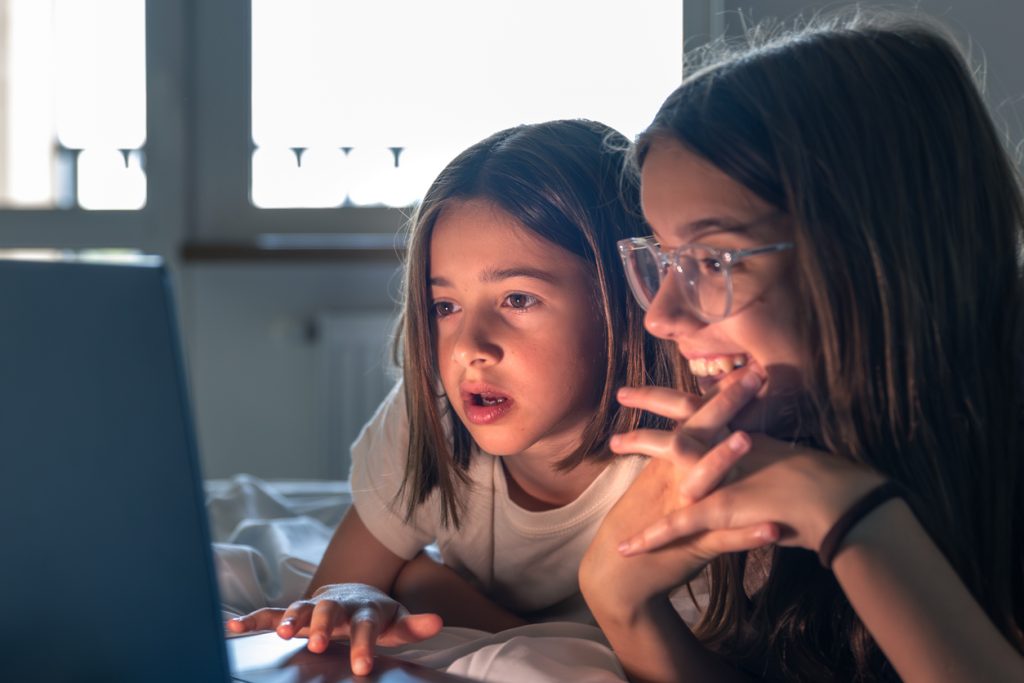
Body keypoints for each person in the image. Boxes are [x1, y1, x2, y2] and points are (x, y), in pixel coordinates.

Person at [579, 11, 1024, 683]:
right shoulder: (791, 439)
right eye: (665, 259)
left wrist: (850, 515)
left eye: (715, 259)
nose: (662, 315)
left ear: (879, 251)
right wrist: (619, 597)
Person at [228, 119, 674, 675]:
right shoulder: (432, 415)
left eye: (517, 298)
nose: (468, 348)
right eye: (445, 307)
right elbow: (339, 590)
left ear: (623, 298)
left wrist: (425, 583)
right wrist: (357, 596)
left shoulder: (679, 463)